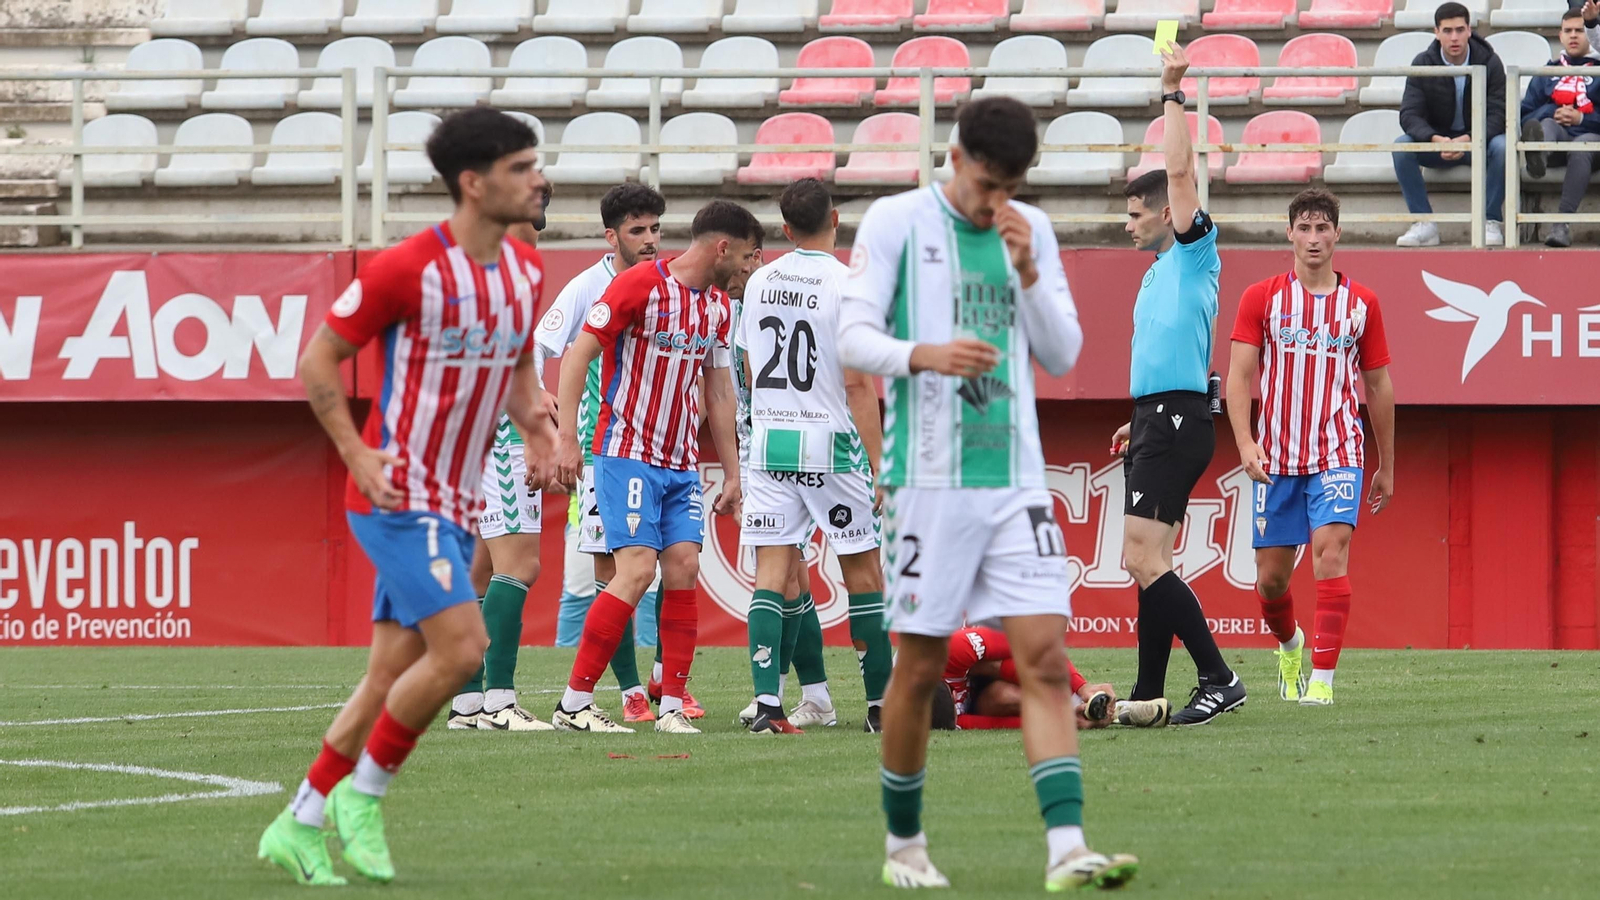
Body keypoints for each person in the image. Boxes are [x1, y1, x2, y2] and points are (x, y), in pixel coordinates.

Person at [840, 95, 1137, 891]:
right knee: (921, 668)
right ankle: (905, 844)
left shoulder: (1028, 232)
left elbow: (1064, 351)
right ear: (957, 159)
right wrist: (924, 354)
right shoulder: (898, 222)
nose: (993, 199)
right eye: (985, 181)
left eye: (1011, 185)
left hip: (1013, 480)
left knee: (1044, 659)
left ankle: (1067, 848)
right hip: (927, 482)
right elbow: (851, 334)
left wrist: (1031, 275)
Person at [258, 108, 551, 886]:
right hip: (399, 496)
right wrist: (355, 454)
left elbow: (517, 373)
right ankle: (366, 795)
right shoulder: (404, 268)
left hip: (457, 500)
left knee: (389, 674)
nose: (538, 179)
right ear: (473, 183)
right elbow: (320, 362)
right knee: (462, 650)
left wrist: (546, 435)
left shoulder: (525, 272)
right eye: (522, 167)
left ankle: (300, 820)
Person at [550, 200, 757, 735]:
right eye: (745, 259)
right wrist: (567, 438)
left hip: (682, 461)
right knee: (637, 571)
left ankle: (671, 706)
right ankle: (574, 703)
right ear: (722, 248)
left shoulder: (717, 307)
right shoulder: (639, 285)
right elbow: (577, 357)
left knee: (684, 567)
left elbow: (718, 390)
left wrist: (732, 472)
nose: (745, 271)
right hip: (627, 452)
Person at [1111, 44, 1245, 728]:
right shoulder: (1157, 272)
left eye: (1136, 212)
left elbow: (1184, 168)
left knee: (1140, 556)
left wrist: (1172, 93)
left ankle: (1218, 676)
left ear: (1167, 214)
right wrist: (1142, 418)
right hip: (1161, 415)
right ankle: (1146, 691)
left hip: (1176, 417)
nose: (1126, 222)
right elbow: (1172, 352)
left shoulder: (1194, 252)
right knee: (1149, 560)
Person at [733, 178, 892, 736]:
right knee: (863, 574)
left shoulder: (760, 281)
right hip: (833, 443)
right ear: (836, 219)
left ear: (784, 228)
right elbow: (856, 385)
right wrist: (880, 463)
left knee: (770, 576)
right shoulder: (849, 284)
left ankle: (769, 707)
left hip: (772, 442)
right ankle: (879, 708)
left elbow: (751, 372)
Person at [1226, 189, 1396, 708]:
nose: (1315, 237)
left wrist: (1386, 463)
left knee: (1331, 555)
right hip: (1275, 457)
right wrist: (1245, 442)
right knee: (1271, 581)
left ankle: (1322, 679)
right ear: (1290, 233)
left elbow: (1379, 387)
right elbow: (1238, 375)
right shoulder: (1263, 297)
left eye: (1324, 228)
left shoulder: (1361, 304)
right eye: (1305, 227)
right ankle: (1290, 644)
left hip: (1338, 451)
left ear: (1338, 234)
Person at [526, 184, 685, 724]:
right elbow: (538, 345)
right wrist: (543, 402)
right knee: (611, 574)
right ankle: (629, 691)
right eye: (637, 231)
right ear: (610, 235)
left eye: (655, 230)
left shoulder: (669, 285)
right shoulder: (588, 287)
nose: (649, 241)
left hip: (659, 452)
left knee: (666, 570)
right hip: (602, 454)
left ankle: (668, 686)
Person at [448, 187, 558, 734]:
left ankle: (467, 702)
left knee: (483, 568)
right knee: (521, 564)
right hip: (502, 434)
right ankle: (499, 701)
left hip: (478, 431)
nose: (540, 215)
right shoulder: (508, 274)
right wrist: (534, 425)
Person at [1393, 1, 1509, 247]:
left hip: (1477, 142)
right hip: (1439, 143)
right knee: (1402, 146)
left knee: (1503, 147)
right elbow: (1409, 114)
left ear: (1469, 30)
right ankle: (1424, 223)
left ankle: (1490, 220)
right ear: (1436, 32)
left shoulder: (1490, 62)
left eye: (1459, 30)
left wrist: (1468, 139)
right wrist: (1436, 139)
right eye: (1447, 31)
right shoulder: (1423, 63)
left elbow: (1498, 115)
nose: (1454, 37)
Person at [938, 626, 1169, 730]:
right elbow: (996, 725)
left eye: (954, 697)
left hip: (991, 666)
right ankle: (1112, 712)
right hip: (987, 699)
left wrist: (1082, 686)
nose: (957, 700)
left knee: (997, 663)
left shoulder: (954, 649)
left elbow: (1031, 643)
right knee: (1003, 697)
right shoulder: (936, 721)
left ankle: (1093, 703)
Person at [1521, 10, 1600, 248]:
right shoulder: (1547, 71)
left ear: (1589, 33)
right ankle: (1538, 157)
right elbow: (1525, 115)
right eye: (1568, 31)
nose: (1573, 36)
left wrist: (1580, 119)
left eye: (1579, 30)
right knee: (1545, 124)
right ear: (1560, 35)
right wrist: (1552, 111)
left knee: (1581, 145)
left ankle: (1561, 224)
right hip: (1555, 142)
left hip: (1591, 143)